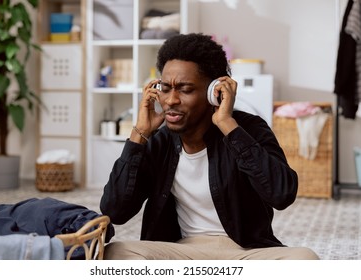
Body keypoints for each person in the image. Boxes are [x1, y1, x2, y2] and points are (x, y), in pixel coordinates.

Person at [99, 33, 319, 260]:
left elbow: (282, 194)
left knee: (305, 259)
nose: (171, 100)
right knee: (116, 252)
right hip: (181, 252)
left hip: (245, 253)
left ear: (214, 91)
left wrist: (227, 125)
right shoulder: (159, 141)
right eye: (165, 88)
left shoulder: (248, 129)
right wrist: (140, 134)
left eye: (185, 89)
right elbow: (114, 210)